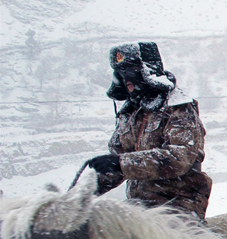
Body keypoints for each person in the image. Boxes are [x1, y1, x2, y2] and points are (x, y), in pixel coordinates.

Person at [85, 42, 212, 220]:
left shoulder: (178, 107)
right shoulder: (130, 113)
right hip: (139, 204)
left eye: (130, 71)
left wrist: (121, 164)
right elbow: (118, 159)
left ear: (146, 71)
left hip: (178, 205)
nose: (125, 79)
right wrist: (84, 192)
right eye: (120, 73)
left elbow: (180, 157)